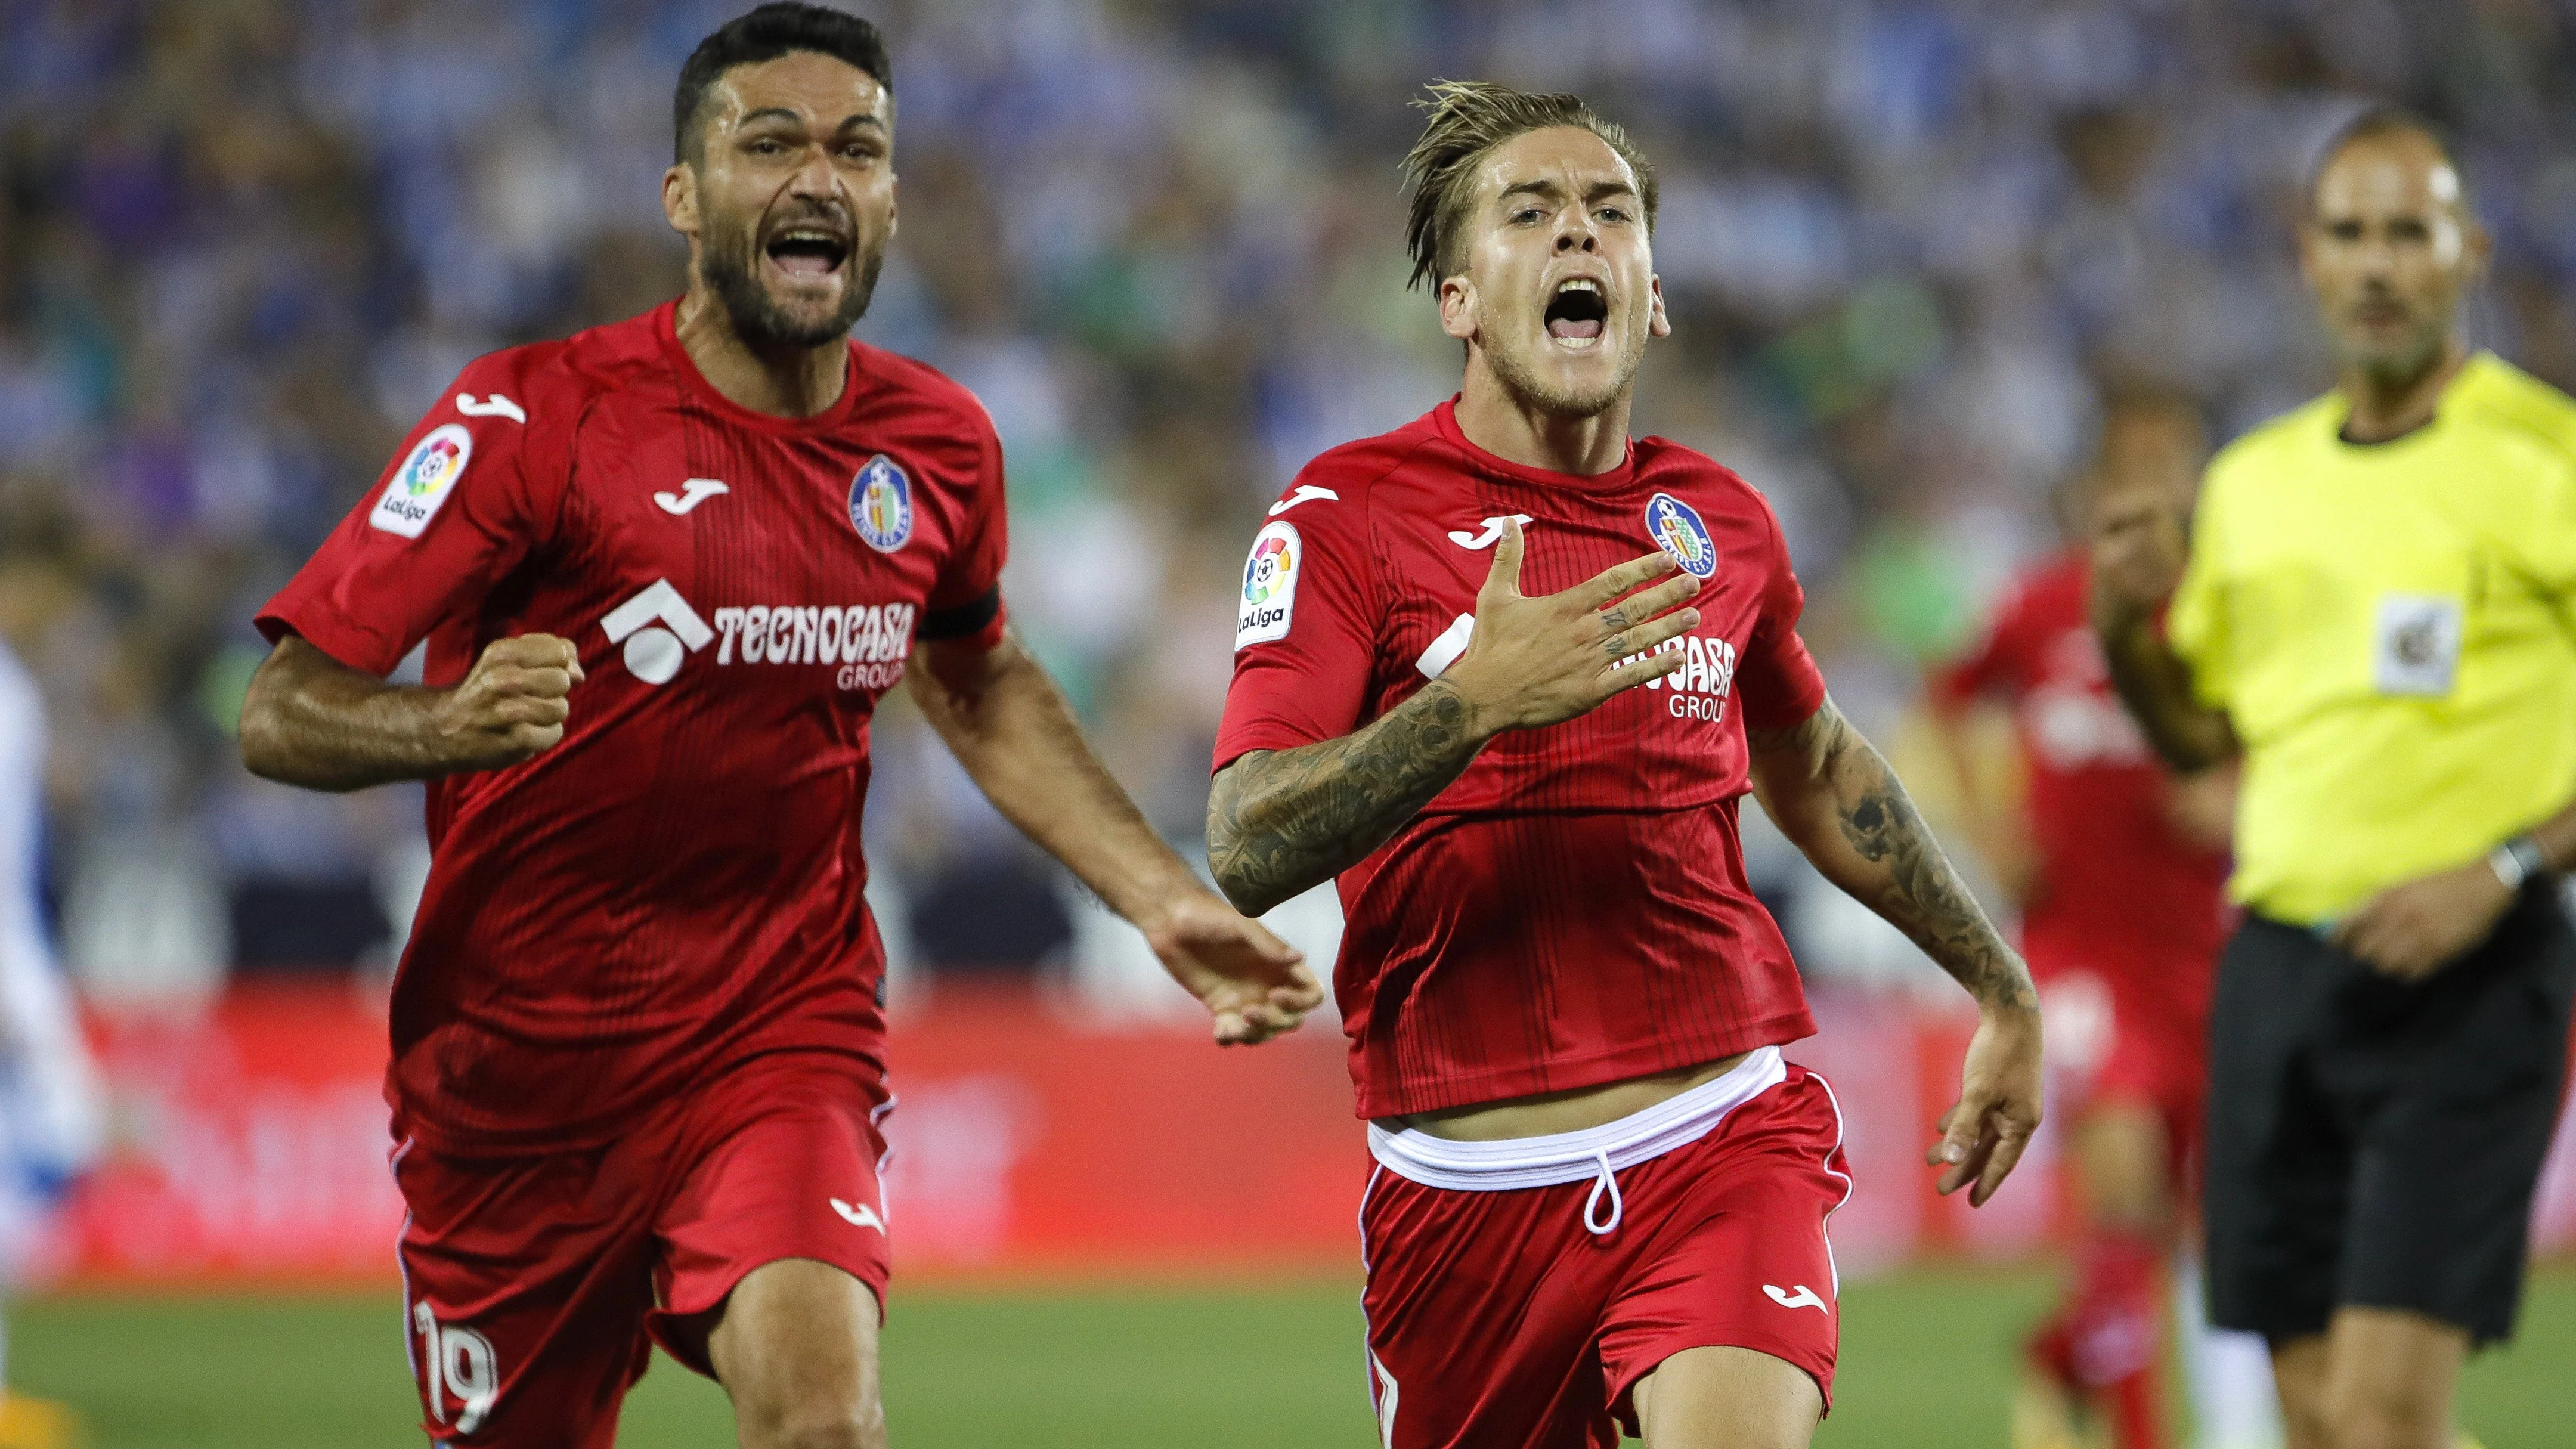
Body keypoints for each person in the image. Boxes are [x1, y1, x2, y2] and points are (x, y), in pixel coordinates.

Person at [236, 7, 1321, 1447]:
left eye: (857, 149)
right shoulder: (532, 420)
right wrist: (441, 725)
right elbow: (280, 711)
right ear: (686, 197)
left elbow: (978, 678)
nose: (819, 176)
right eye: (770, 144)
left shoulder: (934, 446)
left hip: (777, 1033)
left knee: (825, 1421)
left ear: (890, 200)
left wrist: (1163, 900)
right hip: (517, 1080)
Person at [1205, 81, 2045, 1449]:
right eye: (1529, 214)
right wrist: (1471, 703)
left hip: (1719, 1142)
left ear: (1651, 295)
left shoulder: (1721, 522)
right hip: (1460, 1196)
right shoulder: (1346, 518)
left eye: (1611, 213)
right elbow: (1244, 840)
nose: (1579, 237)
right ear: (1462, 298)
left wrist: (2000, 988)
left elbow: (1817, 761)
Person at [2093, 107, 2576, 1449]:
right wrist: (2124, 632)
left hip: (2470, 980)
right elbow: (2197, 741)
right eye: (2349, 233)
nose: (2377, 265)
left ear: (2468, 250)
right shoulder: (2254, 485)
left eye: (2407, 233)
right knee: (2312, 1417)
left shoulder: (2548, 460)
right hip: (2278, 970)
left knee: (2375, 1418)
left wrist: (2506, 869)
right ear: (2307, 255)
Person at [1928, 397, 2246, 1449]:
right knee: (2123, 1187)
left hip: (2205, 955)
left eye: (2171, 469)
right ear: (2100, 488)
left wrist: (2239, 795)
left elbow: (2305, 740)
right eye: (2131, 473)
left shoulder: (2226, 616)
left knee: (2164, 1234)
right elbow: (1944, 701)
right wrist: (1987, 824)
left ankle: (2062, 1356)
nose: (2151, 494)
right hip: (2075, 951)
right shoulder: (2040, 602)